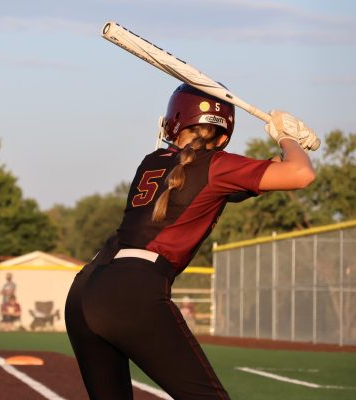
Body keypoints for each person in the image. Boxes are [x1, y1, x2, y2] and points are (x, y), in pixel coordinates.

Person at [65, 84, 317, 399]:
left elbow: (242, 181)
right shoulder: (218, 165)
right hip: (132, 290)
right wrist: (286, 138)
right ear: (224, 137)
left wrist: (288, 147)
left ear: (172, 123)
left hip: (86, 286)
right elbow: (300, 174)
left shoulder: (152, 160)